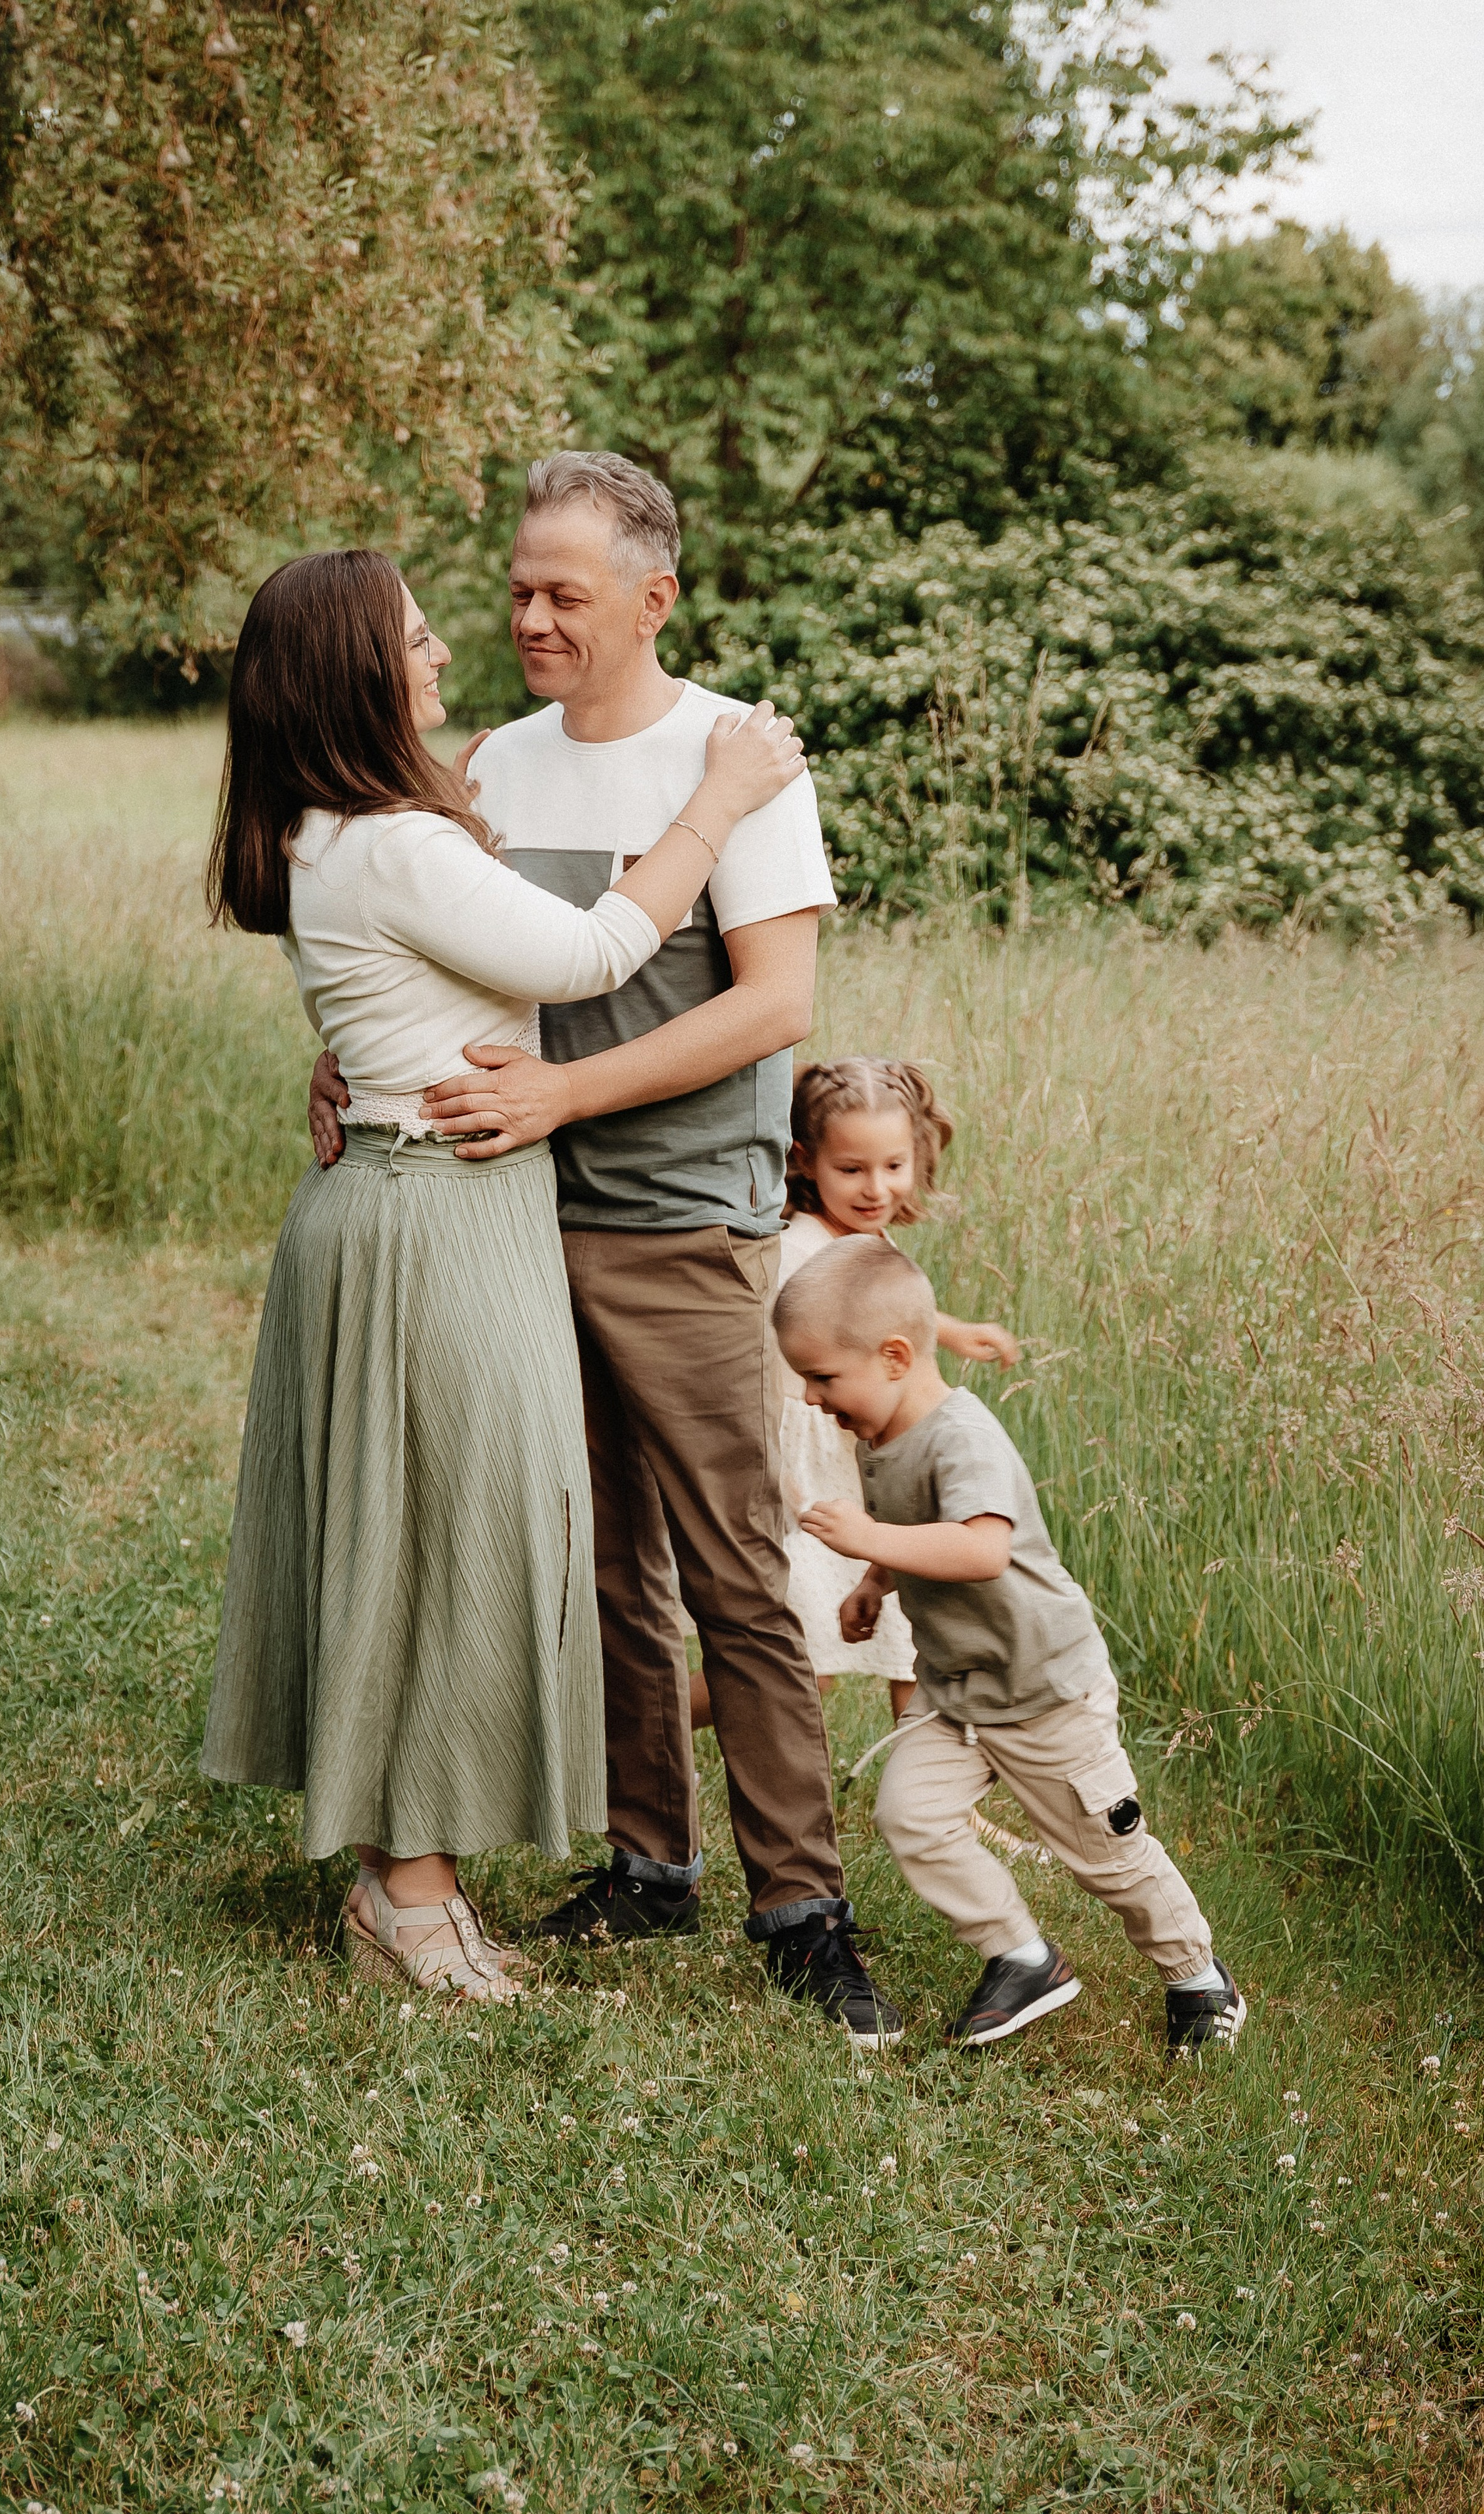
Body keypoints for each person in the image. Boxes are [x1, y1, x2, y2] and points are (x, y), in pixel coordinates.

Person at [309, 451, 901, 2049]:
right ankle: (649, 1861)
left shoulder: (732, 762)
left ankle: (803, 1910)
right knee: (593, 1564)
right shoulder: (489, 764)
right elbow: (447, 950)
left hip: (680, 1218)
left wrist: (568, 1089)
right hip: (505, 1219)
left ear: (656, 595)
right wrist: (354, 1066)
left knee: (734, 1568)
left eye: (564, 591)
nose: (529, 616)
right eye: (514, 587)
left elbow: (773, 1007)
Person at [200, 545, 806, 2005]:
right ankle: (412, 1897)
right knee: (445, 1541)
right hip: (435, 1213)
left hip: (411, 1195)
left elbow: (403, 985)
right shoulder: (389, 840)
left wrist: (365, 1052)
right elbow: (592, 953)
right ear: (355, 668)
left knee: (419, 1531)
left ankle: (404, 1876)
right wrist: (718, 799)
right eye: (412, 640)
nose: (443, 655)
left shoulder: (347, 829)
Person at [775, 1234, 1247, 2059]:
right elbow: (926, 1537)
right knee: (909, 1815)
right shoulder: (878, 1434)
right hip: (958, 1691)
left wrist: (865, 1536)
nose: (812, 1398)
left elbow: (981, 1548)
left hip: (1043, 1692)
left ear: (893, 1356)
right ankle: (1022, 1957)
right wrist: (875, 1581)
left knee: (1106, 1854)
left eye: (821, 1377)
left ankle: (1197, 1977)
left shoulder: (963, 1435)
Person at [687, 1055, 1017, 1730]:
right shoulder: (795, 1249)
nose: (875, 1189)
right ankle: (641, 1723)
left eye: (892, 1166)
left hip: (868, 1461)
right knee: (803, 1658)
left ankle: (938, 1797)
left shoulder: (868, 1237)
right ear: (805, 1161)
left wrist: (949, 1332)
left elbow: (877, 1322)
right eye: (851, 1170)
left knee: (911, 1638)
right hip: (806, 1472)